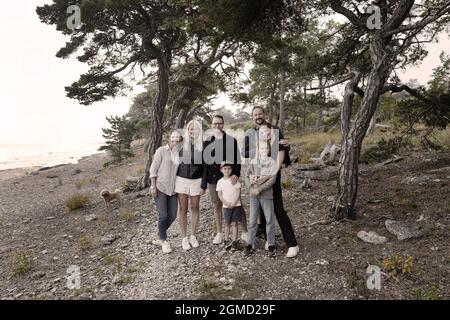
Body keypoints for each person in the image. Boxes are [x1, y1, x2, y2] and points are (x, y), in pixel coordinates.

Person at [244, 106, 300, 258]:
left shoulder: (274, 130)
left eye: (260, 113)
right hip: (257, 176)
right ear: (252, 117)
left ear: (264, 114)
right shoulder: (250, 133)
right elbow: (248, 155)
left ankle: (292, 243)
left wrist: (270, 174)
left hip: (272, 175)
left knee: (278, 208)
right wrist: (251, 175)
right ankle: (268, 237)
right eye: (255, 114)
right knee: (261, 208)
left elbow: (282, 152)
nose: (258, 116)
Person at [201, 114, 246, 245]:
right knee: (217, 205)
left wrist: (236, 174)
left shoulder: (231, 140)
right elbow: (205, 164)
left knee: (238, 204)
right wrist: (203, 184)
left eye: (219, 123)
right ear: (211, 125)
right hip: (214, 179)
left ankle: (244, 230)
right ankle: (220, 233)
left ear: (223, 124)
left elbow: (237, 160)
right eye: (214, 124)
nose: (217, 126)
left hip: (230, 178)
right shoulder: (207, 142)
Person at [149, 131, 183, 254]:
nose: (175, 140)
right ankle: (164, 241)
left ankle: (159, 234)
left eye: (177, 138)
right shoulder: (161, 151)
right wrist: (153, 186)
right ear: (170, 138)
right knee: (163, 215)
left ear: (180, 141)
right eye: (173, 137)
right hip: (160, 187)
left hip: (173, 189)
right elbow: (153, 169)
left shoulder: (180, 153)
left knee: (173, 215)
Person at [175, 120, 204, 251]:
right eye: (191, 129)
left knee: (195, 206)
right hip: (181, 179)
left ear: (199, 130)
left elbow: (206, 167)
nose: (193, 131)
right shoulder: (181, 144)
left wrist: (204, 184)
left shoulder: (203, 145)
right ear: (187, 130)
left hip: (197, 180)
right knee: (183, 208)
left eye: (196, 129)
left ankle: (193, 235)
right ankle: (184, 237)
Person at [244, 141, 277, 257]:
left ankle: (271, 244)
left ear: (268, 149)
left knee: (269, 219)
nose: (263, 150)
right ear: (258, 150)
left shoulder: (272, 163)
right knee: (252, 220)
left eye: (265, 148)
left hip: (266, 195)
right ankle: (250, 243)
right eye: (261, 148)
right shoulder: (253, 162)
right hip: (253, 195)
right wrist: (250, 188)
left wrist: (260, 189)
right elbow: (246, 176)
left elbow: (272, 179)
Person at [216, 161, 245, 250]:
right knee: (227, 223)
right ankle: (226, 240)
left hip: (236, 205)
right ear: (221, 170)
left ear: (231, 169)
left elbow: (238, 192)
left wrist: (234, 202)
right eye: (225, 169)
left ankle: (234, 241)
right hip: (226, 206)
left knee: (235, 223)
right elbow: (220, 195)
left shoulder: (234, 180)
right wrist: (226, 203)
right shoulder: (220, 182)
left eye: (229, 168)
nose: (227, 170)